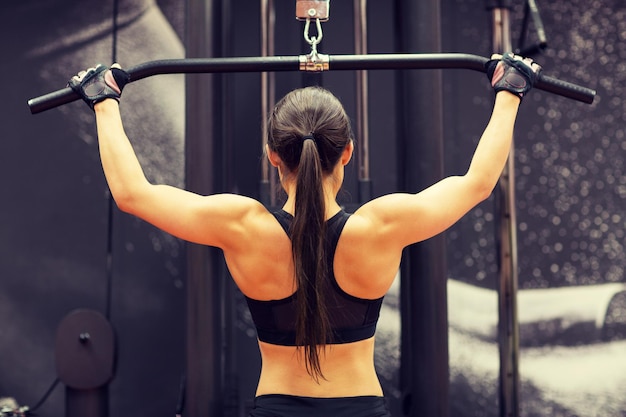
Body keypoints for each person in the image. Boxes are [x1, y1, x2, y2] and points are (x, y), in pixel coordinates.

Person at [68, 52, 541, 417]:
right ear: (348, 152)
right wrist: (510, 92)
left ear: (273, 155)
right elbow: (477, 183)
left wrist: (104, 100)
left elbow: (132, 193)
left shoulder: (243, 226)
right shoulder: (382, 226)